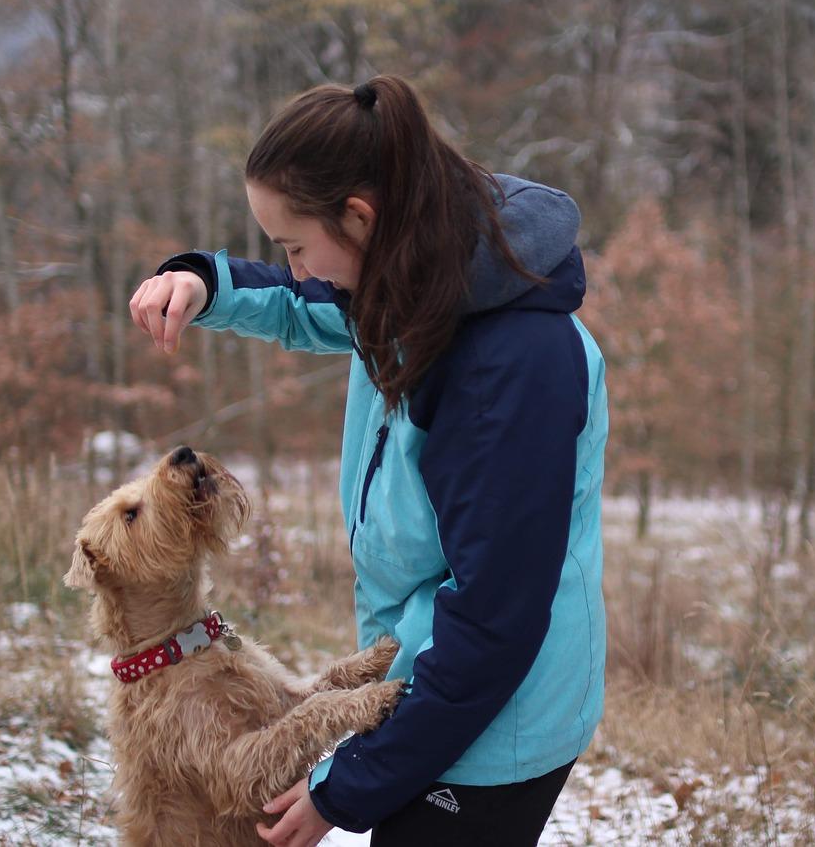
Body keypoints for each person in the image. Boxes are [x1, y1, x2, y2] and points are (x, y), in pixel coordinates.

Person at [129, 74, 608, 847]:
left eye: (293, 244)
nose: (295, 267)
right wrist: (205, 282)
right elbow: (306, 301)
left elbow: (494, 628)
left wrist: (347, 788)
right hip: (435, 685)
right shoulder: (415, 275)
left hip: (492, 720)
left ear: (360, 217)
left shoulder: (506, 372)